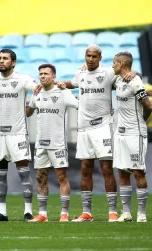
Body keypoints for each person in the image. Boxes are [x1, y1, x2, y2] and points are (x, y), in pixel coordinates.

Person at [56, 45, 137, 222]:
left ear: (100, 57)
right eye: (88, 55)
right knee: (85, 169)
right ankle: (86, 212)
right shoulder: (81, 73)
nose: (90, 59)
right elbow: (73, 83)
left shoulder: (108, 73)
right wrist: (61, 84)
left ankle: (113, 212)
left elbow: (127, 74)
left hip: (103, 126)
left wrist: (135, 73)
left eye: (94, 56)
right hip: (84, 128)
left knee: (107, 169)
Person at [0, 49, 36, 222]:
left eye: (5, 58)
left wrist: (31, 107)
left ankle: (28, 211)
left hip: (18, 132)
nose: (1, 61)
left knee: (23, 173)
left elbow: (39, 90)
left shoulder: (22, 79)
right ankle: (2, 213)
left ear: (13, 62)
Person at [26, 64, 78, 222]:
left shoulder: (63, 92)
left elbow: (78, 105)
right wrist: (24, 103)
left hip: (58, 143)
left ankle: (64, 214)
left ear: (53, 76)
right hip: (41, 143)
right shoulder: (37, 92)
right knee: (41, 177)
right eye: (40, 74)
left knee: (62, 177)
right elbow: (29, 112)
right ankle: (42, 214)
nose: (42, 76)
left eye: (46, 74)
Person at [111, 51, 150, 222]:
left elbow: (148, 105)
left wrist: (142, 120)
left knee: (138, 171)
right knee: (122, 171)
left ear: (122, 63)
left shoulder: (135, 81)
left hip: (136, 133)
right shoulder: (118, 80)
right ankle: (126, 213)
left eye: (114, 63)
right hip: (120, 132)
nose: (113, 66)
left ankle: (141, 214)